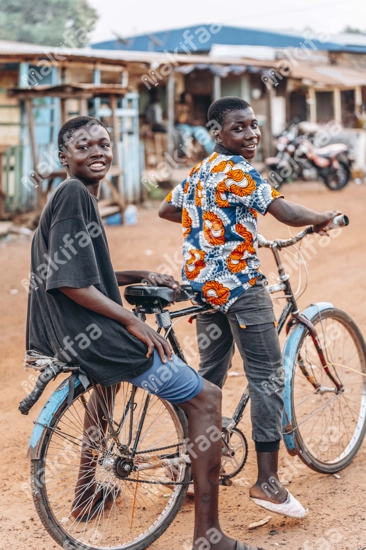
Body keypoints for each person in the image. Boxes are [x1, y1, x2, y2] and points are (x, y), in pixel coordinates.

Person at [25, 115, 263, 550]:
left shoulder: (71, 197)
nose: (97, 151)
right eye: (84, 146)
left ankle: (86, 491)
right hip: (92, 333)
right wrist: (132, 321)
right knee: (206, 398)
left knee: (108, 386)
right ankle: (208, 535)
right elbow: (69, 282)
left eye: (104, 143)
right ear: (64, 156)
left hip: (69, 333)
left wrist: (141, 273)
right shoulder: (76, 194)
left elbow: (85, 272)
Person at [159, 96, 340, 519]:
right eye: (238, 128)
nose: (251, 134)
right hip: (240, 288)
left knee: (208, 380)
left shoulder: (200, 171)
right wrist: (321, 218)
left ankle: (190, 465)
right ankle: (268, 482)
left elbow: (169, 209)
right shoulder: (240, 171)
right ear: (217, 134)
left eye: (254, 125)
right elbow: (287, 212)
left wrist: (216, 225)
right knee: (267, 377)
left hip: (203, 289)